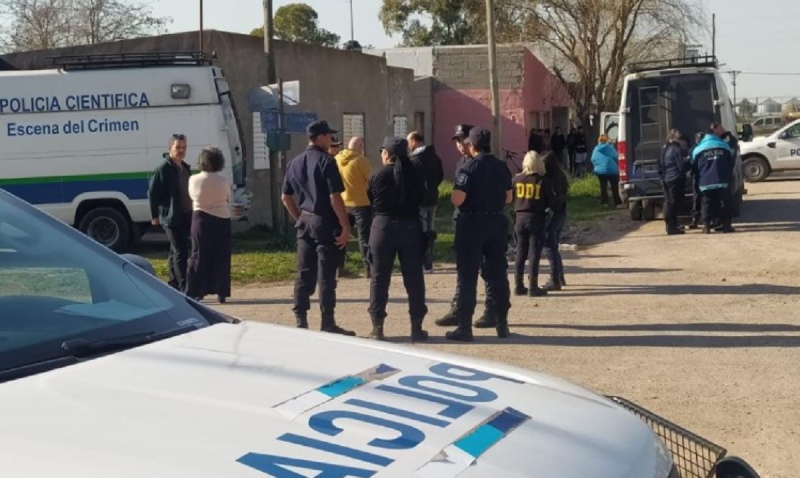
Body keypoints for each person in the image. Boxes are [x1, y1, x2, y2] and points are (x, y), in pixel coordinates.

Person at [281, 120, 355, 335]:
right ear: (320, 137)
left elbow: (285, 197)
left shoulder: (295, 162)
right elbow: (335, 197)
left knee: (303, 272)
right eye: (329, 136)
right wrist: (344, 225)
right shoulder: (326, 161)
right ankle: (327, 322)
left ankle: (301, 320)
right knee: (326, 274)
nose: (331, 140)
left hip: (305, 220)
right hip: (324, 220)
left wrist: (299, 218)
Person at [446, 127, 513, 342]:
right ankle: (502, 324)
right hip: (496, 222)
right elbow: (509, 197)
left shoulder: (469, 167)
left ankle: (464, 327)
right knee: (498, 275)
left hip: (472, 223)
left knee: (468, 276)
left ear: (472, 145)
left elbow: (458, 199)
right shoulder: (502, 166)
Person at [435, 124, 497, 330]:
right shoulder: (462, 162)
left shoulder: (481, 163)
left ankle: (491, 310)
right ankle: (458, 310)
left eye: (463, 141)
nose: (460, 145)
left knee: (487, 269)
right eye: (457, 142)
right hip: (463, 219)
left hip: (481, 220)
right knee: (464, 270)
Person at [366, 136, 429, 342]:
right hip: (410, 227)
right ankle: (417, 328)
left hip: (382, 227)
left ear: (387, 154)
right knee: (414, 280)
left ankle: (377, 327)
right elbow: (423, 198)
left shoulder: (377, 174)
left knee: (379, 279)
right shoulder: (416, 174)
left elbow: (371, 200)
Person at [185, 147, 232, 303]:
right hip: (221, 218)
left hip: (200, 218)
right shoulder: (222, 181)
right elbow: (227, 197)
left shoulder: (193, 179)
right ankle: (221, 291)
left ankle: (196, 290)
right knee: (221, 255)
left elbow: (192, 196)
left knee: (198, 254)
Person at [148, 133, 192, 292]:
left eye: (184, 147)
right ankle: (183, 288)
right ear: (170, 148)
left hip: (186, 214)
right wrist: (154, 216)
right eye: (178, 147)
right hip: (171, 217)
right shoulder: (163, 170)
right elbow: (153, 193)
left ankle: (173, 283)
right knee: (180, 251)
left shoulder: (185, 168)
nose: (181, 150)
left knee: (175, 250)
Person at [512, 151, 557, 297]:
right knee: (534, 254)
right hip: (536, 219)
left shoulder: (516, 180)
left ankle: (518, 285)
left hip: (519, 219)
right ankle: (533, 287)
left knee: (520, 253)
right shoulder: (542, 181)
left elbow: (509, 197)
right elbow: (551, 202)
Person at [334, 136, 372, 278]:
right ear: (360, 146)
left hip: (342, 203)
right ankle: (368, 268)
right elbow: (371, 180)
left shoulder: (337, 158)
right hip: (361, 203)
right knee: (364, 237)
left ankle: (339, 267)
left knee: (342, 235)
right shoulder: (361, 161)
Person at [407, 130, 444, 273]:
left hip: (419, 201)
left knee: (421, 231)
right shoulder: (435, 157)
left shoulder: (415, 160)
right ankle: (429, 261)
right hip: (433, 198)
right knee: (430, 230)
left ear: (415, 141)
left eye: (409, 141)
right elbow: (440, 176)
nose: (408, 145)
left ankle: (424, 263)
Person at [691, 129, 736, 234]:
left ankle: (706, 226)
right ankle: (726, 226)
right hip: (722, 180)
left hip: (705, 181)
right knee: (724, 203)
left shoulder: (698, 149)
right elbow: (731, 161)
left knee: (706, 203)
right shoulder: (724, 146)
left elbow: (694, 165)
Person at [542, 151, 569, 290]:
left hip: (551, 217)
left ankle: (555, 279)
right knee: (554, 246)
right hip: (561, 215)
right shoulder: (561, 177)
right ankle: (560, 276)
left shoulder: (547, 181)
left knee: (549, 248)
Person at [590, 134, 623, 207]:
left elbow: (593, 159)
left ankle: (604, 202)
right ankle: (617, 202)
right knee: (614, 187)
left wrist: (598, 165)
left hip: (600, 171)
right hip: (612, 170)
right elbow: (616, 157)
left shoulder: (596, 149)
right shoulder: (610, 148)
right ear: (607, 140)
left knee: (603, 187)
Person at [688, 131, 706, 229]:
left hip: (703, 176)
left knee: (705, 198)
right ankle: (695, 218)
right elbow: (692, 162)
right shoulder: (693, 150)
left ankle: (705, 218)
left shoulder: (704, 148)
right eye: (698, 138)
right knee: (697, 198)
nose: (699, 140)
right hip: (698, 176)